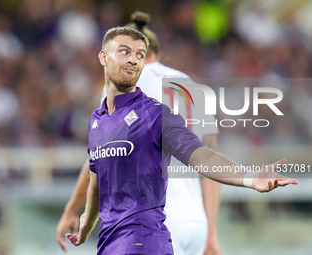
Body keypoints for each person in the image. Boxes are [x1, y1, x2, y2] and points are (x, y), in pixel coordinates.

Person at [65, 26, 297, 254]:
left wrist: (250, 178)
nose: (134, 60)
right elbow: (98, 181)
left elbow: (203, 156)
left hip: (144, 243)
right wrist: (86, 227)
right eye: (125, 52)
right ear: (103, 57)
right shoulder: (98, 120)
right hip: (110, 245)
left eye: (140, 55)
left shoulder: (154, 114)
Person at [57, 11, 221, 255]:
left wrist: (71, 209)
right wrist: (211, 232)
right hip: (195, 221)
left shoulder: (124, 85)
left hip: (153, 222)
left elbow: (100, 158)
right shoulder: (191, 86)